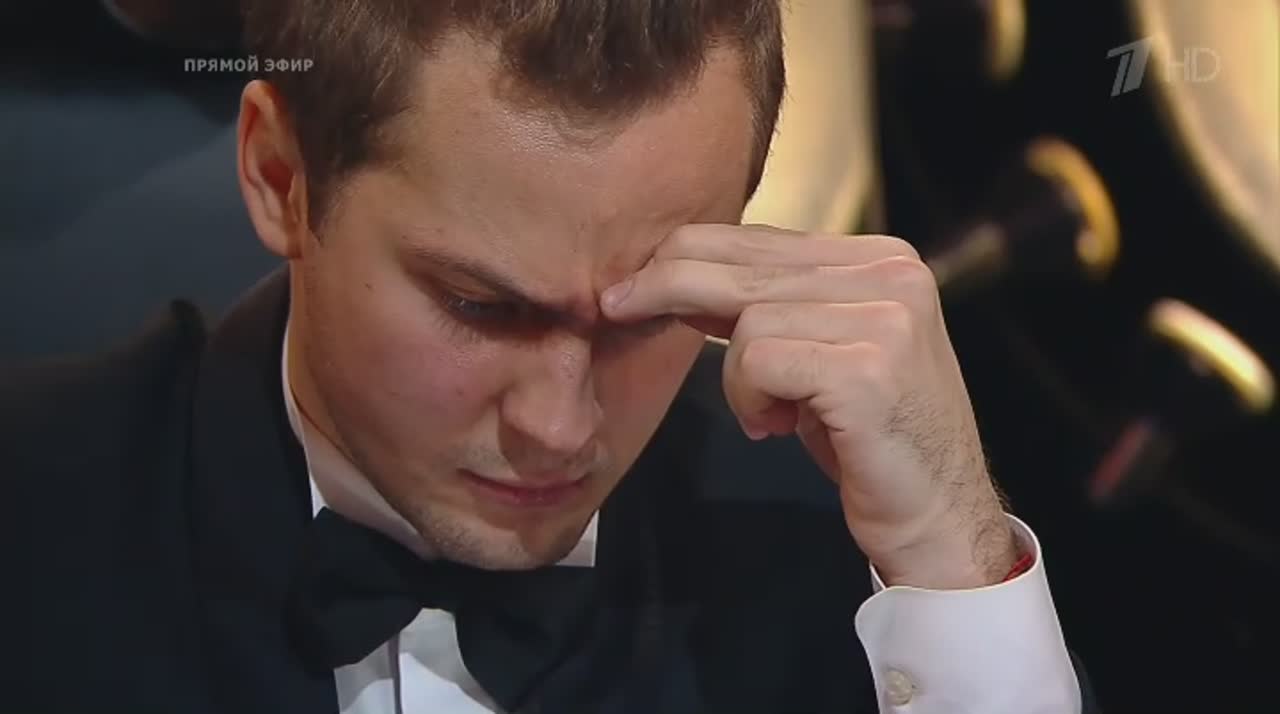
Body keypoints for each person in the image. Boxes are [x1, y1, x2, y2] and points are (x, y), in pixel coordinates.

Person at [2, 1, 1097, 712]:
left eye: (647, 313)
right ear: (282, 178)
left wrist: (953, 563)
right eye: (482, 307)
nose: (559, 428)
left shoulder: (843, 560)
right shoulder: (31, 519)